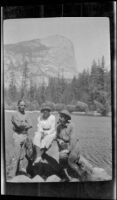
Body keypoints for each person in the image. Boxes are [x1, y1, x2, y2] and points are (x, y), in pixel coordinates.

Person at [56, 109, 93, 181]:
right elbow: (57, 137)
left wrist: (68, 150)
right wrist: (60, 141)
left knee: (71, 161)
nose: (60, 118)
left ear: (66, 118)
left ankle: (83, 176)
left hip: (74, 147)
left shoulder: (72, 126)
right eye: (60, 116)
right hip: (65, 147)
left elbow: (73, 140)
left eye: (62, 117)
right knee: (61, 158)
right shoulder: (58, 127)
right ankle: (66, 177)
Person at [9, 99, 32, 178]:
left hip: (25, 136)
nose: (23, 107)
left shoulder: (27, 114)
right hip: (17, 136)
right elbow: (18, 125)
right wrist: (25, 123)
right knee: (16, 155)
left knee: (23, 155)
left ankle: (21, 173)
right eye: (21, 105)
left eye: (24, 105)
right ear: (18, 105)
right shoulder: (14, 114)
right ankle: (12, 174)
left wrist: (23, 124)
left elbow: (31, 124)